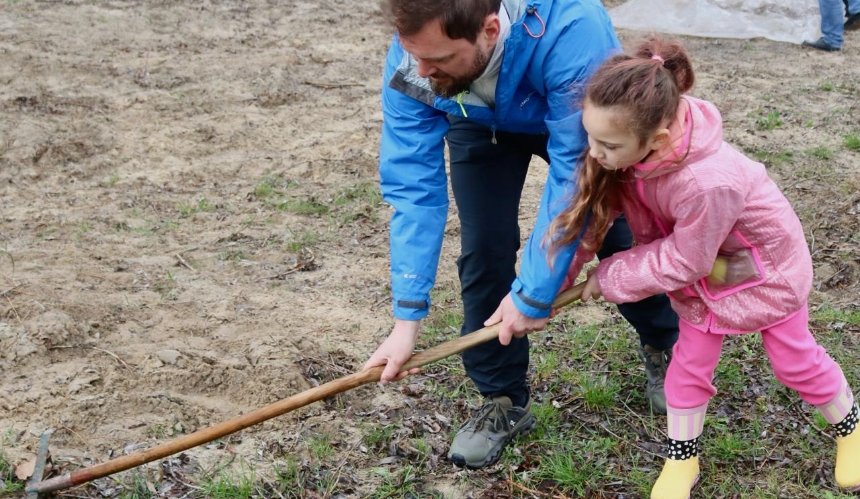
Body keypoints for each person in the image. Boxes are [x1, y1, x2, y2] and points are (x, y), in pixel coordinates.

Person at [362, 0, 680, 469]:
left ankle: (662, 343)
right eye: (415, 55)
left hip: (573, 115)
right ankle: (503, 399)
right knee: (484, 249)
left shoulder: (572, 29)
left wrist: (535, 291)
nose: (422, 72)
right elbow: (413, 190)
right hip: (478, 121)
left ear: (490, 29)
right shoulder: (418, 60)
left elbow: (575, 177)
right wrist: (406, 320)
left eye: (440, 59)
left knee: (613, 230)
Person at [547, 36, 860, 497]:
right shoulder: (625, 154)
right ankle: (682, 459)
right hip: (707, 274)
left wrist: (610, 276)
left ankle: (852, 429)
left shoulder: (706, 182)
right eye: (590, 137)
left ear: (656, 140)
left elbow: (685, 258)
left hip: (763, 271)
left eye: (607, 144)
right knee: (688, 367)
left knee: (795, 361)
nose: (594, 152)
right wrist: (550, 287)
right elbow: (590, 223)